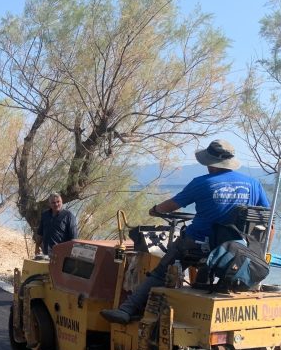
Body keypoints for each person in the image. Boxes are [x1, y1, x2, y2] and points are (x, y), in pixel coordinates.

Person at [100, 139, 270, 325]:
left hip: (199, 245)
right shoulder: (253, 184)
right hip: (234, 249)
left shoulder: (202, 183)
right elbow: (266, 219)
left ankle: (126, 309)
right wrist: (260, 250)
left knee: (161, 271)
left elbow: (170, 206)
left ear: (210, 163)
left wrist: (155, 209)